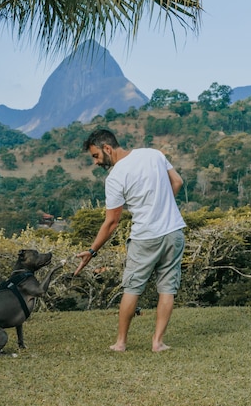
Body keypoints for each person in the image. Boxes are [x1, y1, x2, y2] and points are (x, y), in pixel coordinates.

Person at [74, 129, 186, 352]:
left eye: (95, 156)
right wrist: (162, 205)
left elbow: (111, 222)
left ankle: (121, 342)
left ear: (107, 148)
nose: (95, 162)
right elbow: (178, 182)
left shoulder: (115, 177)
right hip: (173, 231)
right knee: (167, 288)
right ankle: (157, 342)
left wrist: (92, 251)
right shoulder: (153, 154)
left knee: (132, 288)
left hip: (145, 238)